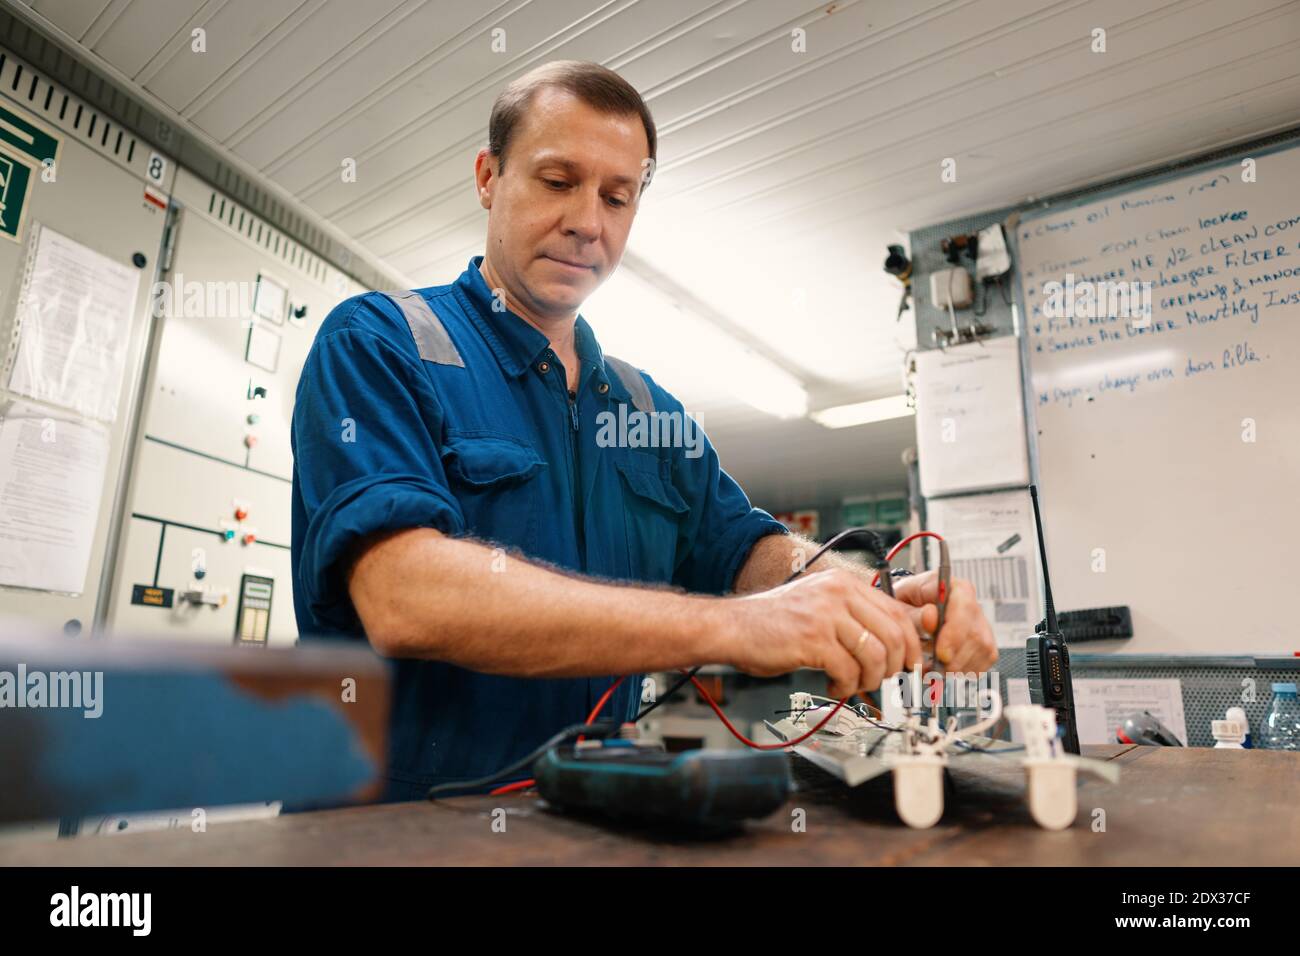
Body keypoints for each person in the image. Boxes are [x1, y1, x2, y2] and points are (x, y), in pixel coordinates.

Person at [290, 60, 995, 801]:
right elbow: (407, 598)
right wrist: (735, 629)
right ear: (488, 177)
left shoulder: (646, 412)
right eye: (558, 181)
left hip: (587, 819)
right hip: (385, 832)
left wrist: (872, 601)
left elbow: (745, 548)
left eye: (617, 197)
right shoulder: (383, 342)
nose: (587, 222)